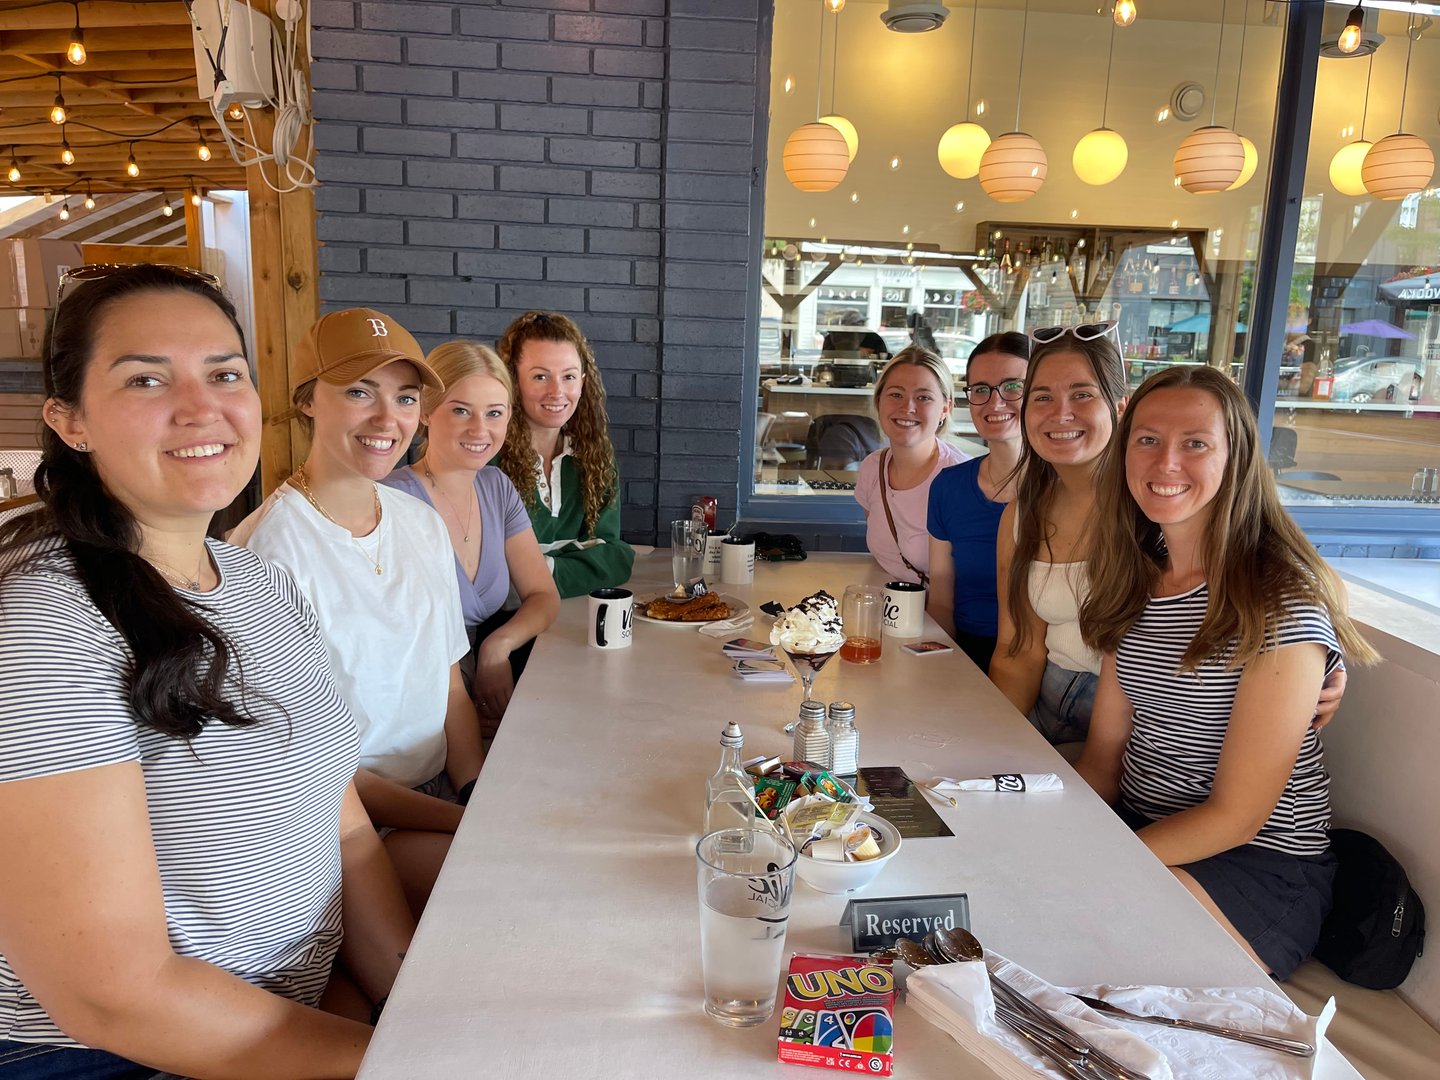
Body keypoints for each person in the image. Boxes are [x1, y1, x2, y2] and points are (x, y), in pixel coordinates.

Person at [0, 264, 412, 1077]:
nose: (201, 408)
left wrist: (414, 1007)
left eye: (224, 374)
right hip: (114, 1055)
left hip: (294, 1008)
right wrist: (413, 1061)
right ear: (70, 421)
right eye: (146, 379)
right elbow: (115, 998)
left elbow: (341, 822)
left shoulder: (258, 581)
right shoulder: (44, 627)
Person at [1075, 365, 1378, 979]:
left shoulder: (1279, 603)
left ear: (1235, 459)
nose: (1166, 462)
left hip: (1256, 866)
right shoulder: (1133, 580)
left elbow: (1238, 817)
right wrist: (1055, 838)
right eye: (1147, 439)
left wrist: (1094, 862)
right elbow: (1104, 759)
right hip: (1144, 830)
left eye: (1195, 443)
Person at [230, 307, 478, 916]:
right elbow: (307, 764)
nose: (387, 419)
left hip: (441, 795)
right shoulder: (264, 553)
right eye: (359, 392)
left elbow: (449, 683)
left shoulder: (420, 523)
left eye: (406, 398)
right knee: (506, 893)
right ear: (307, 400)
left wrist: (476, 791)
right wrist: (470, 822)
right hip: (339, 822)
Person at [383, 341, 560, 731]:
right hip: (411, 703)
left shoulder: (496, 487)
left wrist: (497, 647)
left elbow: (544, 596)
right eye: (461, 410)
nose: (480, 429)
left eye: (494, 413)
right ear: (426, 410)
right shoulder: (390, 498)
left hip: (474, 685)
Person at [989, 325, 1127, 747]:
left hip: (1135, 734)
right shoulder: (1022, 514)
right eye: (1042, 397)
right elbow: (1018, 652)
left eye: (1082, 394)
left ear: (1120, 407)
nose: (1061, 413)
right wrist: (993, 745)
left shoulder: (1155, 508)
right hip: (1047, 718)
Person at [494, 311, 634, 599]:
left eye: (568, 377)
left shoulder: (595, 457)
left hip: (575, 616)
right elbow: (491, 576)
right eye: (540, 376)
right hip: (506, 622)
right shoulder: (488, 459)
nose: (557, 392)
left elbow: (616, 558)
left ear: (582, 382)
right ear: (513, 381)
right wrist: (579, 561)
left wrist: (536, 571)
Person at [926, 333, 1029, 671]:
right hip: (964, 655)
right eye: (981, 389)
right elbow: (942, 603)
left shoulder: (1063, 490)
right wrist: (941, 667)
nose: (995, 403)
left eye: (1012, 387)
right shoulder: (948, 487)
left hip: (1042, 665)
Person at [855, 347, 969, 585]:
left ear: (945, 408)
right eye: (896, 394)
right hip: (888, 603)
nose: (907, 407)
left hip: (942, 609)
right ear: (879, 401)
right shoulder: (872, 468)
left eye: (923, 397)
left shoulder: (961, 478)